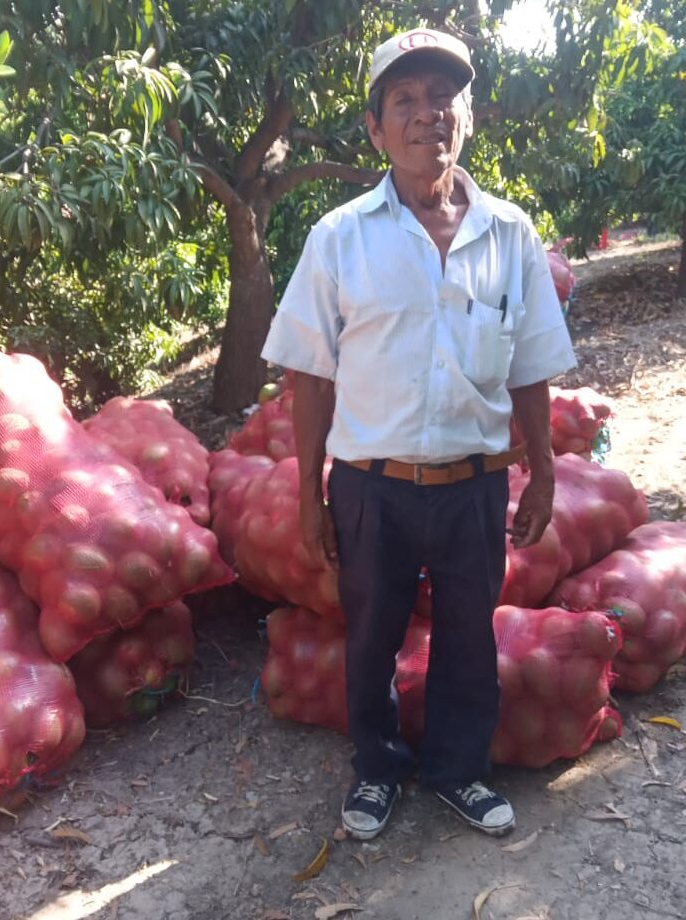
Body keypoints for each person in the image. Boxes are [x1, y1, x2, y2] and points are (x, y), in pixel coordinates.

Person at [260, 27, 576, 841]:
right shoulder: (338, 238)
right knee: (370, 634)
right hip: (371, 485)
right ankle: (377, 769)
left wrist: (541, 468)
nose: (426, 114)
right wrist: (309, 493)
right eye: (404, 100)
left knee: (471, 635)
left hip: (473, 483)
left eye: (443, 97)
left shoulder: (510, 234)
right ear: (375, 128)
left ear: (466, 116)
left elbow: (531, 361)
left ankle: (457, 771)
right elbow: (311, 371)